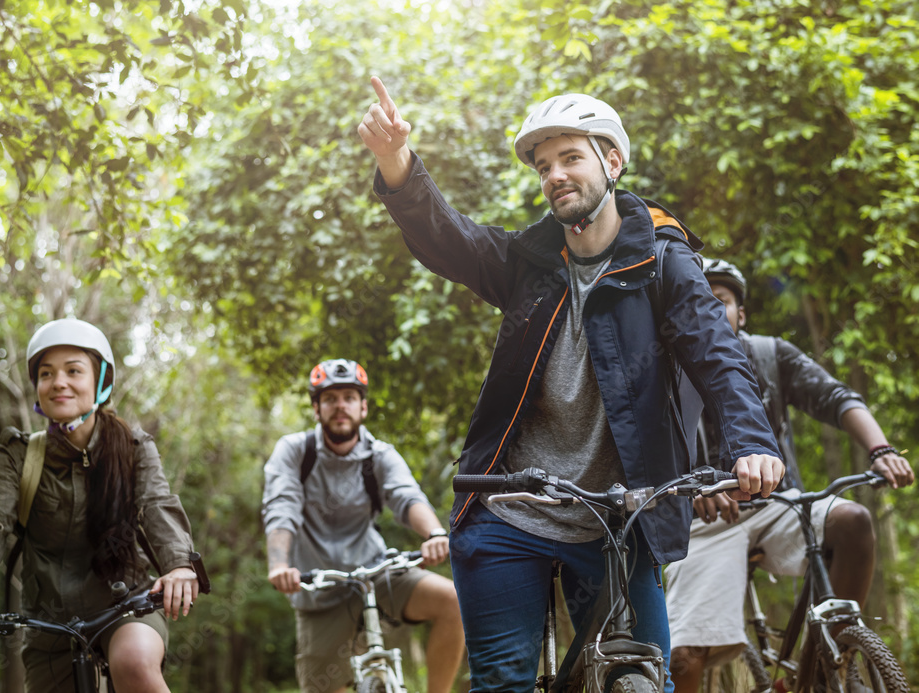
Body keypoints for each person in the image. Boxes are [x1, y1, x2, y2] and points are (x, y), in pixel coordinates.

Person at [358, 76, 785, 692]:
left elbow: (717, 356)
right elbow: (452, 241)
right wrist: (397, 163)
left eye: (571, 158)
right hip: (508, 509)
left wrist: (751, 442)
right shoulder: (527, 262)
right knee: (503, 682)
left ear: (611, 162)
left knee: (642, 675)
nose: (555, 175)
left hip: (619, 516)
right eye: (544, 166)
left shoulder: (665, 263)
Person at [664, 258, 915, 691]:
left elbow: (836, 397)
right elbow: (641, 448)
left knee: (853, 521)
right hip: (707, 522)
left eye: (719, 301)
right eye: (697, 300)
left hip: (781, 505)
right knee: (683, 656)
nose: (708, 309)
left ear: (741, 314)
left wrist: (882, 449)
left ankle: (825, 668)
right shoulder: (665, 369)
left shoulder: (769, 354)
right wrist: (685, 490)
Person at [0, 318, 201, 692]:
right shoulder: (18, 454)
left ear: (100, 383)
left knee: (134, 663)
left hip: (126, 607)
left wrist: (179, 566)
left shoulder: (133, 447)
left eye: (73, 371)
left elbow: (157, 504)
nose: (58, 382)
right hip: (50, 624)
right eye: (46, 373)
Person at [262, 358, 464, 693]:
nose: (340, 406)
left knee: (453, 601)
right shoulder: (295, 451)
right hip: (318, 589)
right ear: (316, 409)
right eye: (329, 398)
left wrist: (435, 534)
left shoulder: (379, 455)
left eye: (349, 398)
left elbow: (406, 496)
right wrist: (279, 565)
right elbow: (281, 508)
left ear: (363, 407)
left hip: (376, 575)